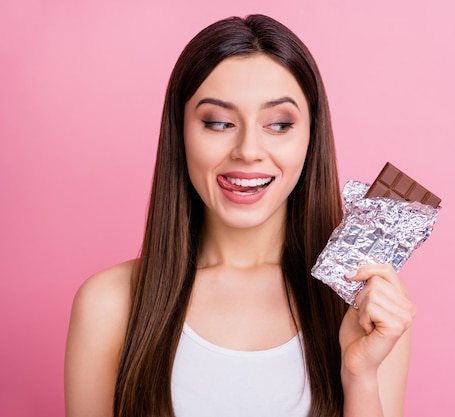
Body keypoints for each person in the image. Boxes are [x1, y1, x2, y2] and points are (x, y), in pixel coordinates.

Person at [64, 14, 416, 417]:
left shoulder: (367, 304)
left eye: (279, 124)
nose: (248, 150)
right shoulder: (110, 303)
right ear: (180, 133)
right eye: (218, 122)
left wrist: (359, 375)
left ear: (310, 138)